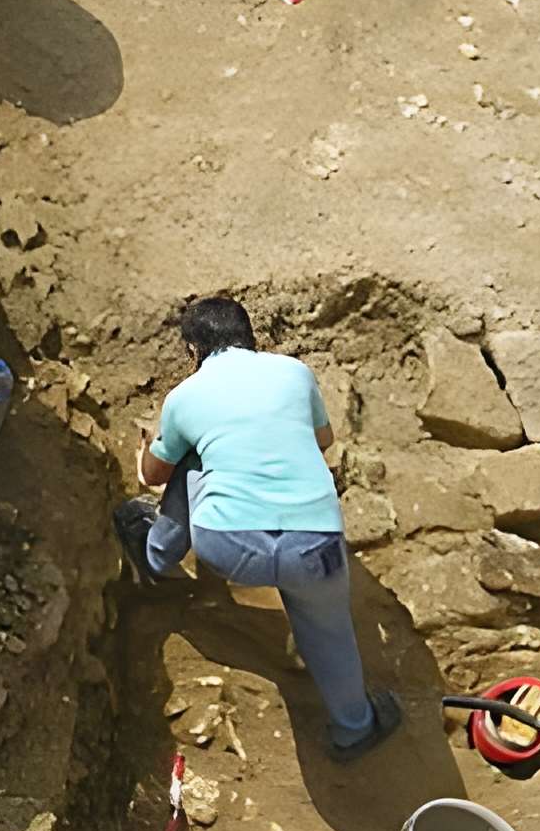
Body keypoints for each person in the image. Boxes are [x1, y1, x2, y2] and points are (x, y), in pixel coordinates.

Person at [112, 296, 405, 762]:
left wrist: (151, 447)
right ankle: (356, 728)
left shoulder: (185, 396)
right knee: (329, 631)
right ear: (252, 338)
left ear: (193, 349)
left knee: (190, 459)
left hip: (229, 548)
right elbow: (323, 440)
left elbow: (154, 475)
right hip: (315, 549)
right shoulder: (294, 372)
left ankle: (154, 555)